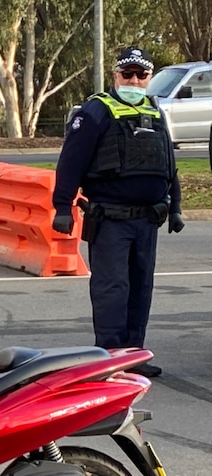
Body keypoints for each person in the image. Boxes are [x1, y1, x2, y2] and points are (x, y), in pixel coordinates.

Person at [52, 47, 184, 378]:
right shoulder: (96, 111)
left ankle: (134, 356)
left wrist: (177, 207)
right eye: (128, 74)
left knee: (140, 289)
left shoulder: (154, 111)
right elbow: (70, 163)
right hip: (110, 219)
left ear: (149, 78)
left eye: (141, 75)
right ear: (115, 76)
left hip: (148, 219)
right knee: (113, 291)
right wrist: (62, 207)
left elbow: (168, 164)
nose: (134, 80)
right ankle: (110, 361)